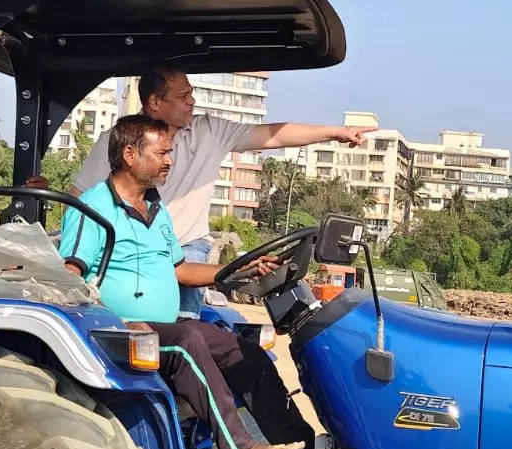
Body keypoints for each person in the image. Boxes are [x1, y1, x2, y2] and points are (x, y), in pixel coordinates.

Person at [59, 115, 314, 449]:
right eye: (162, 153)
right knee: (188, 339)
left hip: (162, 326)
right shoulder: (94, 208)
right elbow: (70, 277)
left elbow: (180, 270)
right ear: (130, 154)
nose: (169, 160)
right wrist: (112, 317)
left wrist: (239, 271)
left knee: (249, 354)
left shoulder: (156, 208)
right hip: (118, 334)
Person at [68, 65, 377, 312]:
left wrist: (336, 133)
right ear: (154, 102)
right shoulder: (118, 142)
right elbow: (81, 203)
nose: (192, 101)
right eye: (183, 95)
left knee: (191, 327)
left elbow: (273, 135)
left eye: (192, 93)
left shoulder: (210, 131)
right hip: (131, 250)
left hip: (186, 248)